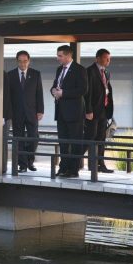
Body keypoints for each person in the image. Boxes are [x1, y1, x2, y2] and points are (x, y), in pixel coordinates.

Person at [51, 45, 88, 178]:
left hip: (74, 112)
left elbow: (83, 89)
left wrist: (64, 93)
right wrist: (53, 91)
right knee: (63, 142)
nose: (58, 58)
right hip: (61, 112)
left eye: (60, 56)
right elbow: (55, 85)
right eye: (58, 55)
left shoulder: (79, 70)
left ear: (68, 55)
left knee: (75, 141)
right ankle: (63, 167)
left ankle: (73, 169)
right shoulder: (59, 69)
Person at [8, 51, 44, 173]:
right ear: (16, 61)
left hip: (32, 112)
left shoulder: (35, 74)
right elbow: (8, 97)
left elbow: (39, 93)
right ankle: (22, 164)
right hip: (16, 113)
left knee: (34, 137)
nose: (22, 63)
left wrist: (40, 110)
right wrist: (9, 113)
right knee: (19, 139)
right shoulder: (10, 75)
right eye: (20, 61)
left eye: (25, 61)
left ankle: (30, 161)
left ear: (29, 61)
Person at [83, 49, 114, 173]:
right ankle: (74, 161)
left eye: (109, 58)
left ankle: (100, 164)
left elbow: (106, 90)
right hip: (92, 112)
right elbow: (87, 93)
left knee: (101, 139)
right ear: (98, 58)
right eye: (106, 58)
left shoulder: (106, 72)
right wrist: (88, 110)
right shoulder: (89, 71)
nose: (108, 61)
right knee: (90, 137)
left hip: (103, 111)